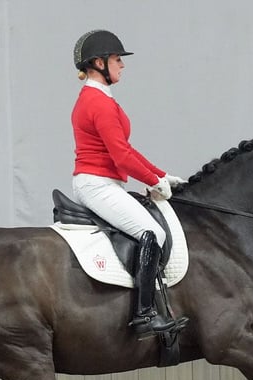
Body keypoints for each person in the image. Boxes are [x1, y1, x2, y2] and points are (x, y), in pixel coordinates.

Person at [71, 29, 187, 339]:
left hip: (105, 183)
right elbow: (121, 156)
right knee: (153, 233)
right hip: (97, 184)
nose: (122, 65)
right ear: (98, 63)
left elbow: (126, 149)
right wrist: (152, 181)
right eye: (117, 59)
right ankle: (143, 315)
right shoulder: (98, 103)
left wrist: (161, 175)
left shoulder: (102, 100)